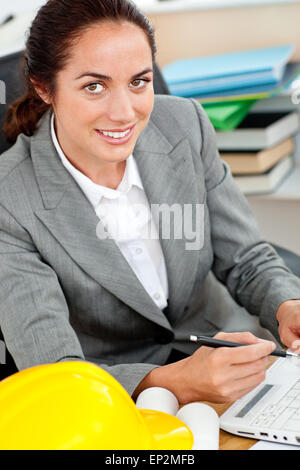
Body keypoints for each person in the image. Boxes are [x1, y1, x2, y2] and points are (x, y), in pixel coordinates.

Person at [1, 0, 300, 405]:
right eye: (94, 86)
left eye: (139, 81)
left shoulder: (185, 124)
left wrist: (286, 304)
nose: (125, 113)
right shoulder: (10, 199)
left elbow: (246, 257)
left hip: (230, 352)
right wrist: (174, 381)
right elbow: (55, 373)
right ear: (43, 86)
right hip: (113, 395)